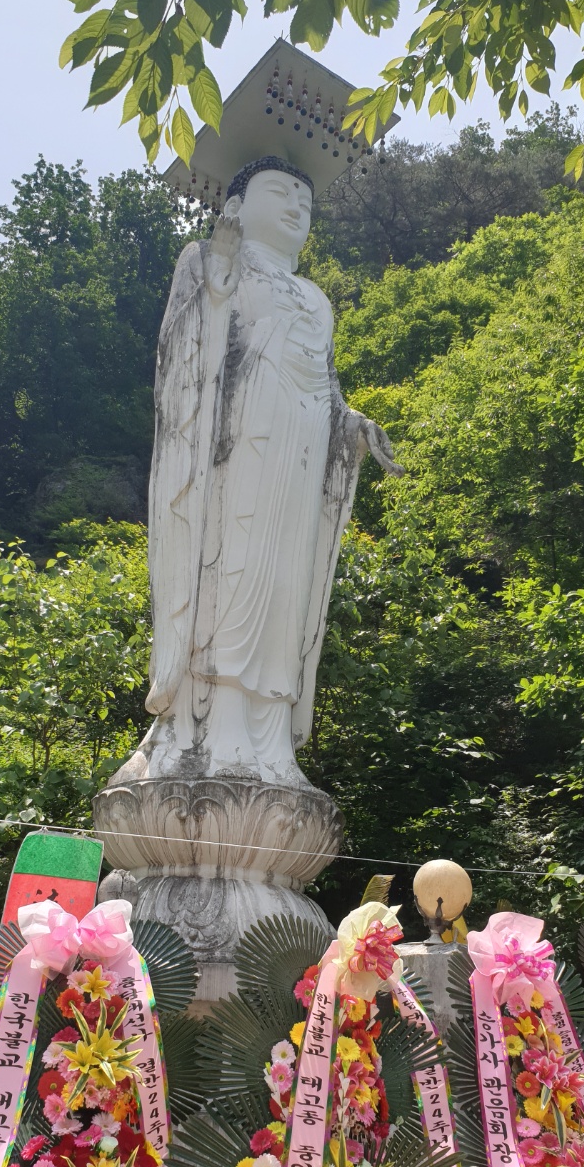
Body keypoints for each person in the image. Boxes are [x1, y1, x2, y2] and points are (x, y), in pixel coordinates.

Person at [112, 155, 401, 791]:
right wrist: (217, 281)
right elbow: (183, 358)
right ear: (238, 205)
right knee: (230, 578)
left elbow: (325, 388)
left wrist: (352, 428)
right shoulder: (208, 260)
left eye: (306, 199)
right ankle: (205, 737)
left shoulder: (317, 299)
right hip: (236, 453)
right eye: (281, 191)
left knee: (284, 594)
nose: (297, 206)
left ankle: (270, 747)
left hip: (299, 460)